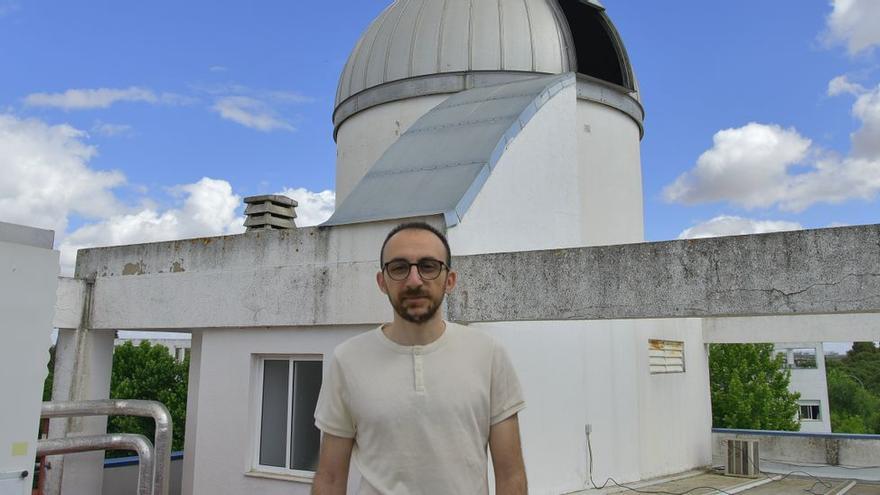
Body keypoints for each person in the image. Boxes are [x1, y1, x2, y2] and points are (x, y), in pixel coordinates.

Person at [311, 222, 527, 494]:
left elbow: (511, 477)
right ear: (382, 281)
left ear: (450, 280)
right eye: (399, 268)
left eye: (428, 266)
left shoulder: (489, 355)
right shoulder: (348, 360)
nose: (414, 280)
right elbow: (330, 478)